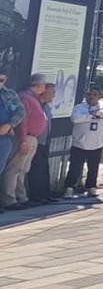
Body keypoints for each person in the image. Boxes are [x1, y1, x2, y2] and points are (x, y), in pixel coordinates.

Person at [3, 74, 48, 209]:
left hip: (32, 137)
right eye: (44, 85)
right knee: (14, 169)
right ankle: (9, 199)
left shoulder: (33, 98)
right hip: (25, 137)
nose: (45, 88)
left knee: (22, 169)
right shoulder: (25, 97)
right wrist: (23, 140)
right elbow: (23, 120)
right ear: (38, 85)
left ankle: (21, 197)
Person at [67, 86, 103, 198]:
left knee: (93, 168)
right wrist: (90, 115)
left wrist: (100, 113)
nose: (92, 96)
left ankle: (91, 187)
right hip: (79, 143)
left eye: (95, 94)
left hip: (96, 144)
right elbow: (75, 119)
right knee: (74, 167)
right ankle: (69, 187)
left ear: (99, 96)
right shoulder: (80, 107)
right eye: (89, 94)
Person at [0, 71, 26, 213]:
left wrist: (9, 125)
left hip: (4, 137)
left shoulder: (10, 94)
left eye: (1, 79)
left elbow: (21, 111)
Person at [28, 82, 58, 204]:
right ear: (43, 92)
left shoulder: (46, 106)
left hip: (45, 142)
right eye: (52, 92)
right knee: (36, 169)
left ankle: (45, 194)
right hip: (36, 140)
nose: (54, 95)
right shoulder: (36, 105)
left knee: (44, 168)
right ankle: (36, 196)